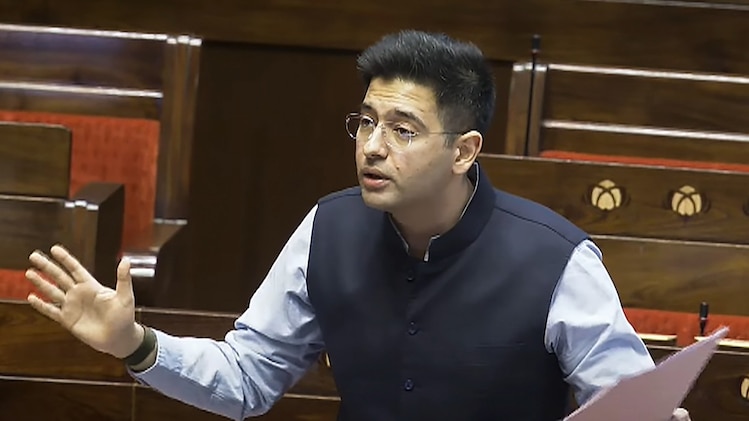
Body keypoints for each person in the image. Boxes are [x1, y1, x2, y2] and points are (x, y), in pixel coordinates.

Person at [24, 30, 690, 421]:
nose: (372, 146)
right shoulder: (327, 228)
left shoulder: (556, 259)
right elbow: (247, 376)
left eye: (403, 129)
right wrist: (136, 344)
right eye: (366, 122)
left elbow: (627, 405)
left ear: (464, 151)